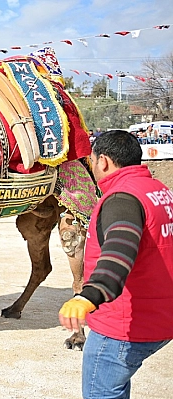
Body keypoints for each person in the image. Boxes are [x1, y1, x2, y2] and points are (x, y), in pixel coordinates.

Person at [58, 130, 173, 399]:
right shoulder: (159, 191)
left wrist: (89, 295)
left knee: (103, 393)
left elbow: (119, 253)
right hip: (161, 317)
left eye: (92, 161)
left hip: (122, 327)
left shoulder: (121, 199)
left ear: (104, 162)